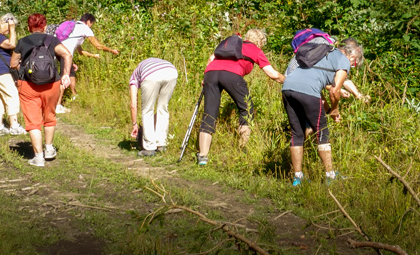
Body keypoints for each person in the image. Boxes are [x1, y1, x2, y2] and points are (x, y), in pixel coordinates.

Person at [281, 37, 364, 185]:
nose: (352, 66)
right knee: (322, 131)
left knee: (297, 133)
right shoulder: (343, 60)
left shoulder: (324, 53)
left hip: (287, 87)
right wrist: (334, 110)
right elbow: (334, 91)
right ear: (352, 56)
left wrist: (328, 108)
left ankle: (297, 178)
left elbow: (314, 83)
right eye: (354, 64)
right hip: (307, 91)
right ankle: (330, 175)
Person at [196, 28, 284, 165]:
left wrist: (205, 78)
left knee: (209, 113)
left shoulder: (231, 45)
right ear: (260, 42)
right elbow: (272, 74)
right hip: (232, 75)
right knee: (246, 108)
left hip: (210, 73)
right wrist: (289, 81)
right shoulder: (255, 49)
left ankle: (202, 156)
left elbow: (211, 58)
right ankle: (242, 148)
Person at [10, 13, 73, 167]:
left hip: (28, 86)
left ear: (28, 27)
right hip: (52, 84)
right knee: (49, 116)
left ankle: (38, 157)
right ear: (45, 26)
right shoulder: (51, 40)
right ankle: (49, 149)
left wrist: (24, 70)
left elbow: (13, 63)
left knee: (33, 121)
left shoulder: (22, 42)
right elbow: (67, 54)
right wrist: (65, 74)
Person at [56, 13, 119, 113]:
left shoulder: (75, 27)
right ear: (89, 21)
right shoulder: (85, 28)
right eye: (91, 24)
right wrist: (112, 50)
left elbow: (81, 52)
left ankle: (74, 95)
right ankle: (57, 105)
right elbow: (97, 46)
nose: (91, 26)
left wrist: (93, 56)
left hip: (59, 50)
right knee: (65, 76)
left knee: (71, 72)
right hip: (65, 54)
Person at [128, 57, 179, 157]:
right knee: (163, 108)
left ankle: (149, 148)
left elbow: (133, 105)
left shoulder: (134, 77)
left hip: (151, 75)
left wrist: (134, 124)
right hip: (171, 70)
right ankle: (161, 144)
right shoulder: (147, 63)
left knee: (147, 110)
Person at [0, 13, 24, 136]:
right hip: (0, 71)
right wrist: (13, 29)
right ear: (1, 23)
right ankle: (14, 125)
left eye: (11, 28)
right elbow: (12, 44)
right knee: (12, 95)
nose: (9, 30)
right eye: (8, 27)